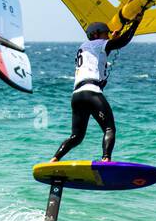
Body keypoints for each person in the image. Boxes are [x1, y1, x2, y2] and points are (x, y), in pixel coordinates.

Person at [51, 11, 144, 162]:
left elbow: (102, 54)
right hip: (91, 93)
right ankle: (106, 159)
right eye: (105, 34)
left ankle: (54, 159)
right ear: (96, 34)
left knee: (76, 136)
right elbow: (122, 42)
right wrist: (135, 23)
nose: (107, 36)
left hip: (77, 95)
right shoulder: (98, 44)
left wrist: (111, 39)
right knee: (109, 128)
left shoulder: (84, 47)